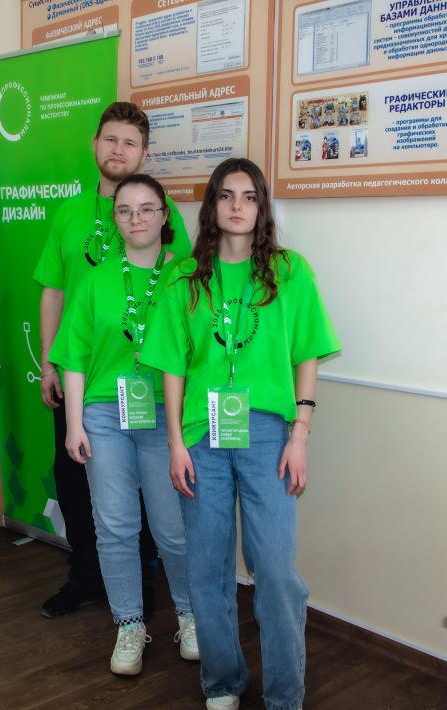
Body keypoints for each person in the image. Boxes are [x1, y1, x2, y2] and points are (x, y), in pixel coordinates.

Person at [140, 158, 340, 710]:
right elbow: (172, 367)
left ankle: (285, 695)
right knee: (207, 569)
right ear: (212, 206)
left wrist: (300, 435)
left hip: (270, 434)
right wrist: (176, 443)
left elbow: (306, 355)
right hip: (201, 435)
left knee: (274, 569)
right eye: (227, 195)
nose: (237, 206)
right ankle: (223, 680)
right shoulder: (184, 278)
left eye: (249, 197)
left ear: (261, 207)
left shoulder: (289, 271)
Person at [34, 101, 192, 619]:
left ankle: (142, 587)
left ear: (144, 152)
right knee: (77, 483)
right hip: (87, 379)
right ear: (95, 144)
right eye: (110, 139)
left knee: (154, 498)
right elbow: (54, 292)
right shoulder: (69, 214)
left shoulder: (164, 216)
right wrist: (50, 364)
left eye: (130, 142)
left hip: (152, 384)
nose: (118, 149)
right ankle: (85, 578)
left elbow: (187, 298)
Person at [50, 174, 197, 676]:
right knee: (115, 526)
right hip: (103, 414)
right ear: (114, 220)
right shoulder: (95, 281)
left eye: (147, 208)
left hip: (165, 416)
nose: (136, 218)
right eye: (125, 210)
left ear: (164, 216)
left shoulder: (186, 276)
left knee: (172, 527)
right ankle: (129, 624)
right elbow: (73, 356)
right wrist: (73, 424)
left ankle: (190, 616)